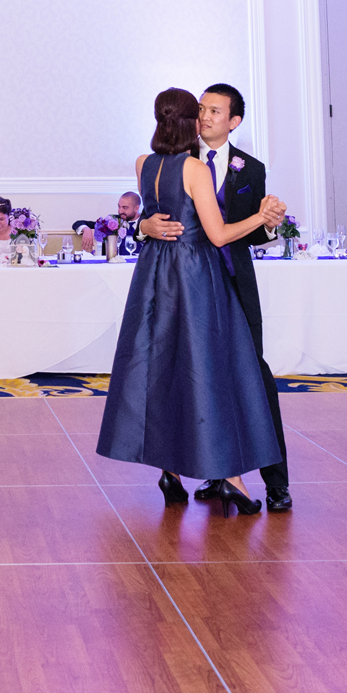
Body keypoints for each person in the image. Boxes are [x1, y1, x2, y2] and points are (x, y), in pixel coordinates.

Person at [100, 87, 286, 516]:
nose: (204, 117)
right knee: (209, 371)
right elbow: (218, 235)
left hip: (154, 275)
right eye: (199, 112)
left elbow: (158, 211)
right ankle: (230, 478)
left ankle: (171, 471)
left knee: (162, 369)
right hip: (195, 277)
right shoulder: (194, 168)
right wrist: (262, 216)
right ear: (188, 122)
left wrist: (147, 226)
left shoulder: (143, 164)